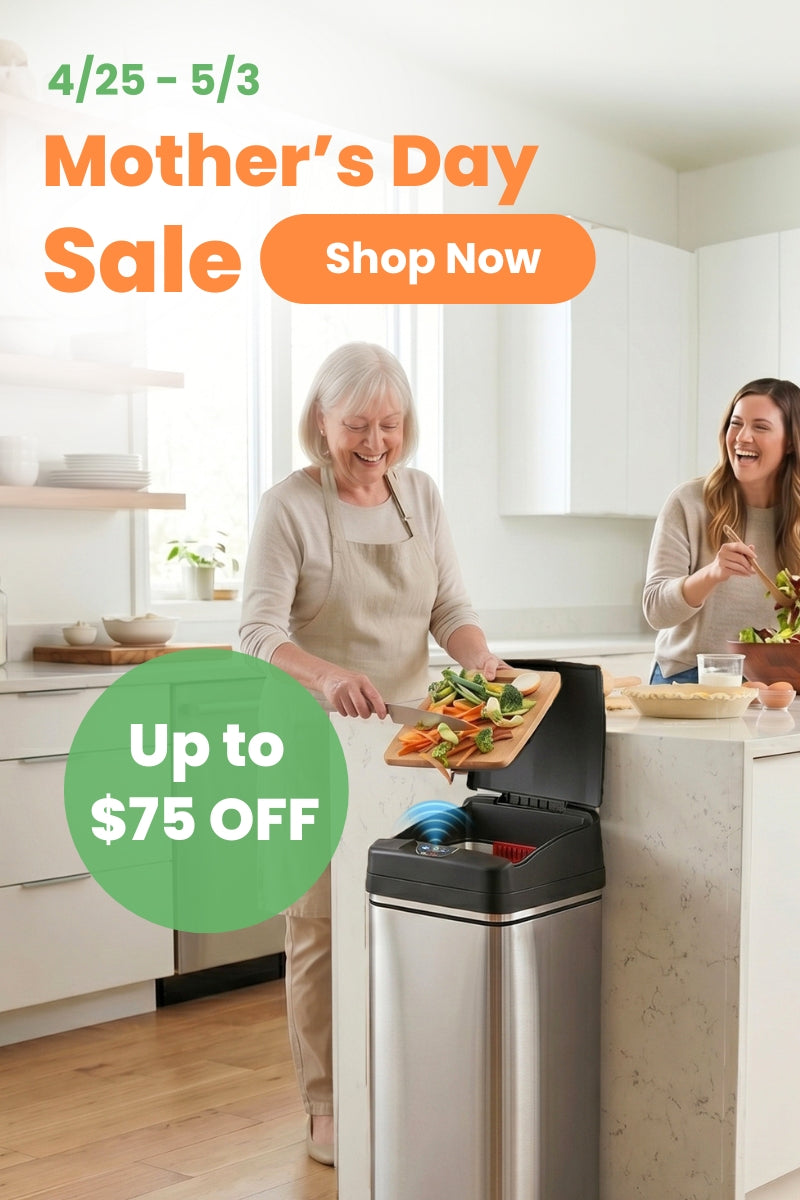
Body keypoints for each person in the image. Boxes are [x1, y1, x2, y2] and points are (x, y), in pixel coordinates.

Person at [239, 342, 503, 1166]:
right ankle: (326, 1103)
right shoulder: (288, 506)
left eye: (390, 423)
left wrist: (483, 662)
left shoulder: (418, 496)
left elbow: (450, 607)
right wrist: (323, 677)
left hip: (414, 743)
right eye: (358, 424)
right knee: (320, 924)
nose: (376, 441)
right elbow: (257, 633)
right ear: (321, 420)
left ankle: (404, 1078)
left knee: (416, 916)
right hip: (317, 743)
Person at [643, 377, 800, 684]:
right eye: (736, 423)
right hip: (689, 677)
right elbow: (656, 610)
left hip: (776, 682)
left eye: (760, 427)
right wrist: (713, 573)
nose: (742, 437)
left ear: (791, 441)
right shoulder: (689, 503)